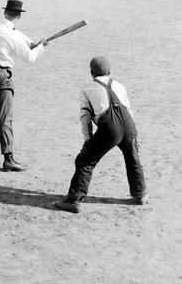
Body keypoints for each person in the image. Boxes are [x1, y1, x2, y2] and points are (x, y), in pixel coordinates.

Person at [54, 56, 147, 213]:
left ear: (91, 72)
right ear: (109, 71)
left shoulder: (87, 88)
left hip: (110, 128)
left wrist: (88, 141)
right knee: (132, 158)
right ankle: (141, 195)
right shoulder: (119, 85)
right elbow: (129, 110)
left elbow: (85, 118)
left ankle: (74, 200)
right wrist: (132, 134)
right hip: (129, 125)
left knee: (85, 160)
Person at [0, 0, 49, 172]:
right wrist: (41, 48)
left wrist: (33, 43)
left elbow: (17, 35)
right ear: (19, 15)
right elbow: (30, 58)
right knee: (5, 118)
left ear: (6, 12)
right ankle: (8, 159)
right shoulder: (13, 36)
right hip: (1, 76)